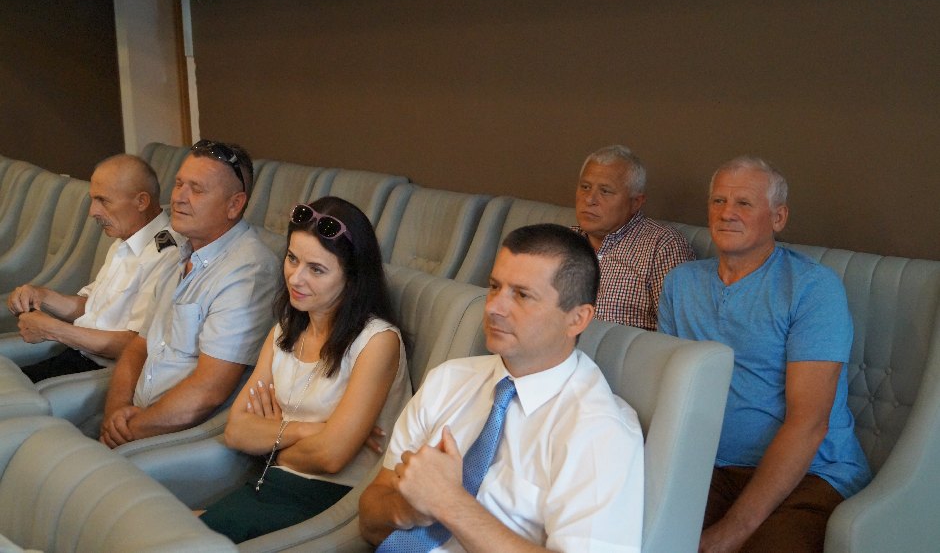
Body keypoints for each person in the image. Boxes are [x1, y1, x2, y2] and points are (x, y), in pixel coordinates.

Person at [359, 223, 644, 553]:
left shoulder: (599, 430)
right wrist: (409, 510)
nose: (494, 307)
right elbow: (369, 517)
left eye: (522, 295)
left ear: (577, 319)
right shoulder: (448, 380)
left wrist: (448, 503)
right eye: (495, 287)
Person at [657, 156, 871, 553]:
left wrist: (732, 531)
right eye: (718, 201)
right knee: (641, 539)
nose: (727, 213)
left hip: (812, 474)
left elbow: (809, 423)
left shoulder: (812, 288)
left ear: (778, 217)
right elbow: (670, 393)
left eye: (744, 203)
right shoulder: (680, 283)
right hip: (711, 468)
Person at [199, 196, 412, 543]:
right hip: (272, 480)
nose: (296, 278)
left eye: (317, 269)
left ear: (352, 277)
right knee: (172, 530)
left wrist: (270, 440)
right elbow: (236, 431)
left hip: (333, 499)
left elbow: (331, 457)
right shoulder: (284, 331)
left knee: (188, 537)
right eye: (292, 258)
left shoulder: (377, 341)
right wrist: (311, 430)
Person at [99, 140, 280, 448]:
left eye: (197, 189)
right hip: (138, 420)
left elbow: (209, 392)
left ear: (234, 205)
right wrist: (115, 413)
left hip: (188, 438)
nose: (178, 197)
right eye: (179, 183)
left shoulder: (249, 271)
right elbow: (138, 347)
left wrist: (129, 431)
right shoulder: (178, 251)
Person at [6, 154, 179, 381]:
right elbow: (93, 308)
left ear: (141, 201)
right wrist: (40, 295)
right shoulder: (126, 238)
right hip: (78, 355)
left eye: (103, 200)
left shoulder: (167, 254)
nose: (92, 211)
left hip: (106, 373)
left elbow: (137, 344)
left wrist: (53, 330)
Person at [574, 144, 694, 330]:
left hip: (623, 348)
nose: (589, 199)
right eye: (585, 187)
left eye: (605, 191)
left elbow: (676, 332)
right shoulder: (562, 241)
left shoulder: (662, 245)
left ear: (636, 202)